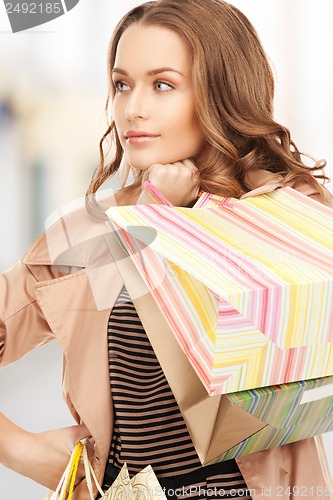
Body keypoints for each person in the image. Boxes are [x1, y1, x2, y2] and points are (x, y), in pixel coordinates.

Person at [0, 0, 332, 499]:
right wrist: (21, 450)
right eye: (121, 84)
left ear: (221, 93)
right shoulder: (84, 232)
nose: (133, 107)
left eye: (162, 85)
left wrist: (161, 222)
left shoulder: (293, 214)